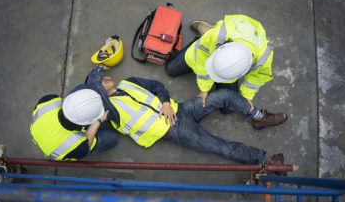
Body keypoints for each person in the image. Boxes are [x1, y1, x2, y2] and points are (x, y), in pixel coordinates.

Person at [86, 65, 285, 168]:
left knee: (224, 95)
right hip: (174, 130)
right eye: (101, 81)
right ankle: (266, 159)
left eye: (104, 76)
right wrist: (93, 85)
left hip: (179, 109)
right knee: (221, 146)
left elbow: (156, 85)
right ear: (98, 92)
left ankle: (258, 116)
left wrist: (165, 102)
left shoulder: (128, 82)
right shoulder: (109, 111)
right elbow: (91, 122)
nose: (106, 78)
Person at [166, 14, 288, 129]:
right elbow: (201, 61)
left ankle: (259, 117)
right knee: (171, 69)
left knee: (228, 109)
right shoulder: (218, 36)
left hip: (232, 43)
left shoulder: (264, 56)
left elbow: (257, 78)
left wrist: (247, 96)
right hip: (206, 46)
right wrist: (204, 89)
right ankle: (205, 34)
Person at [30, 89, 120, 161]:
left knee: (81, 87)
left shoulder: (47, 101)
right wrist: (98, 122)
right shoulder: (76, 147)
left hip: (40, 132)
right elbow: (88, 142)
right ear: (86, 123)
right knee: (113, 137)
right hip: (61, 150)